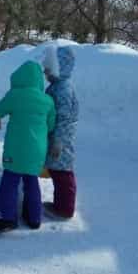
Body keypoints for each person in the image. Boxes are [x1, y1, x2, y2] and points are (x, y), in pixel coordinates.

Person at [0, 61, 56, 235]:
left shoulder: (14, 95)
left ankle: (5, 219)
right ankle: (34, 218)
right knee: (31, 182)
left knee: (10, 182)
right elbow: (50, 125)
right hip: (37, 150)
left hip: (15, 150)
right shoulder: (47, 101)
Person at [42, 46, 79, 219]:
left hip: (61, 140)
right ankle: (61, 205)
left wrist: (57, 141)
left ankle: (65, 210)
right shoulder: (58, 86)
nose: (46, 71)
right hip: (56, 138)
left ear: (60, 67)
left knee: (63, 174)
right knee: (58, 172)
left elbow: (65, 119)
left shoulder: (63, 89)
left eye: (49, 67)